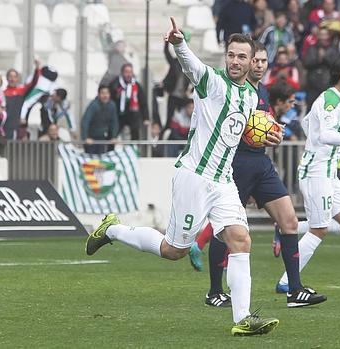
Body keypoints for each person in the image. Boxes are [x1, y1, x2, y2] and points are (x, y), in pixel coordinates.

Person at [85, 18, 278, 336]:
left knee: (241, 240)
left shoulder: (250, 98)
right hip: (194, 177)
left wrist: (267, 134)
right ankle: (113, 230)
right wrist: (178, 43)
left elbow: (236, 130)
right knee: (173, 250)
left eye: (242, 56)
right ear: (226, 56)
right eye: (231, 54)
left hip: (223, 181)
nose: (235, 60)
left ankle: (242, 318)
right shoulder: (213, 82)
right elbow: (192, 66)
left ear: (252, 61)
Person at [188, 42, 327, 309]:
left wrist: (273, 134)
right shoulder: (233, 90)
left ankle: (295, 290)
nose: (260, 65)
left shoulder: (261, 91)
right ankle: (215, 291)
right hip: (236, 163)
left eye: (264, 61)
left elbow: (260, 127)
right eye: (257, 60)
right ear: (249, 62)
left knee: (289, 221)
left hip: (261, 163)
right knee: (224, 229)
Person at [273, 57, 340, 292]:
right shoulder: (330, 100)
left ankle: (286, 228)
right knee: (319, 229)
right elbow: (326, 135)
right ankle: (287, 282)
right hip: (315, 173)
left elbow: (309, 123)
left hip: (329, 174)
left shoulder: (336, 101)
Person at [109, 63, 148, 140]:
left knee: (135, 132)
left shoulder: (136, 85)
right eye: (126, 72)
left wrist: (146, 117)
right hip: (119, 114)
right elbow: (110, 99)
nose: (129, 74)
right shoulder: (115, 84)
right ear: (122, 73)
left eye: (130, 72)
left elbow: (143, 102)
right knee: (113, 133)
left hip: (132, 114)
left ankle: (134, 150)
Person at [81, 86, 119, 154]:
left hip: (103, 137)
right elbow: (85, 121)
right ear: (98, 95)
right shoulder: (94, 105)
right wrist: (85, 137)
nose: (105, 96)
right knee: (91, 159)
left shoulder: (112, 105)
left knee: (102, 158)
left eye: (107, 93)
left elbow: (114, 122)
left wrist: (114, 136)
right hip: (91, 137)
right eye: (102, 93)